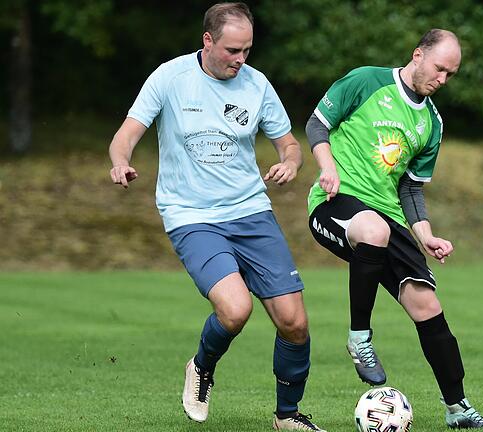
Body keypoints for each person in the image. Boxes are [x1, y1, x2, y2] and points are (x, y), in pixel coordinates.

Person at [108, 3, 325, 430]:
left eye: (247, 50)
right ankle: (202, 367)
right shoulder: (170, 78)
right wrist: (120, 162)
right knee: (235, 309)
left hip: (251, 211)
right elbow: (125, 135)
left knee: (294, 322)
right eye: (232, 50)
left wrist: (291, 163)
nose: (241, 59)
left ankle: (288, 416)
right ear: (207, 41)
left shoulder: (256, 84)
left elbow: (290, 144)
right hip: (191, 216)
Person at [305, 29, 483, 430]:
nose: (442, 80)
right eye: (439, 69)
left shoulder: (431, 123)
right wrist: (327, 167)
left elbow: (410, 187)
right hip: (335, 203)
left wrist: (425, 235)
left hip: (388, 218)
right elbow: (317, 125)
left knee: (428, 305)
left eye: (451, 74)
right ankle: (360, 338)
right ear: (418, 55)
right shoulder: (366, 81)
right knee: (373, 230)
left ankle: (458, 408)